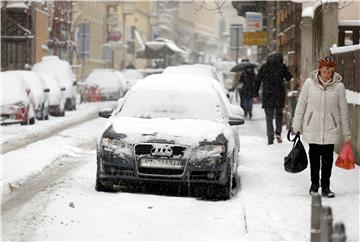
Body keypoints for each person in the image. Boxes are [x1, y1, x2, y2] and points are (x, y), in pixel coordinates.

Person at [291, 57, 351, 198]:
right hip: (313, 127)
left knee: (327, 160)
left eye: (330, 72)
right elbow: (301, 105)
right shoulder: (309, 84)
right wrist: (296, 124)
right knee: (314, 158)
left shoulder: (339, 87)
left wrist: (346, 132)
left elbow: (343, 110)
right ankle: (314, 185)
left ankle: (326, 187)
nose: (327, 74)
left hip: (331, 128)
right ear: (319, 70)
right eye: (325, 71)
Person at [254, 53, 293, 145]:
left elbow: (257, 80)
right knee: (279, 115)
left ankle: (270, 137)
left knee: (269, 117)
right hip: (279, 94)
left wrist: (255, 93)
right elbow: (289, 77)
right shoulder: (282, 66)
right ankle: (278, 133)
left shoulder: (264, 66)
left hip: (267, 95)